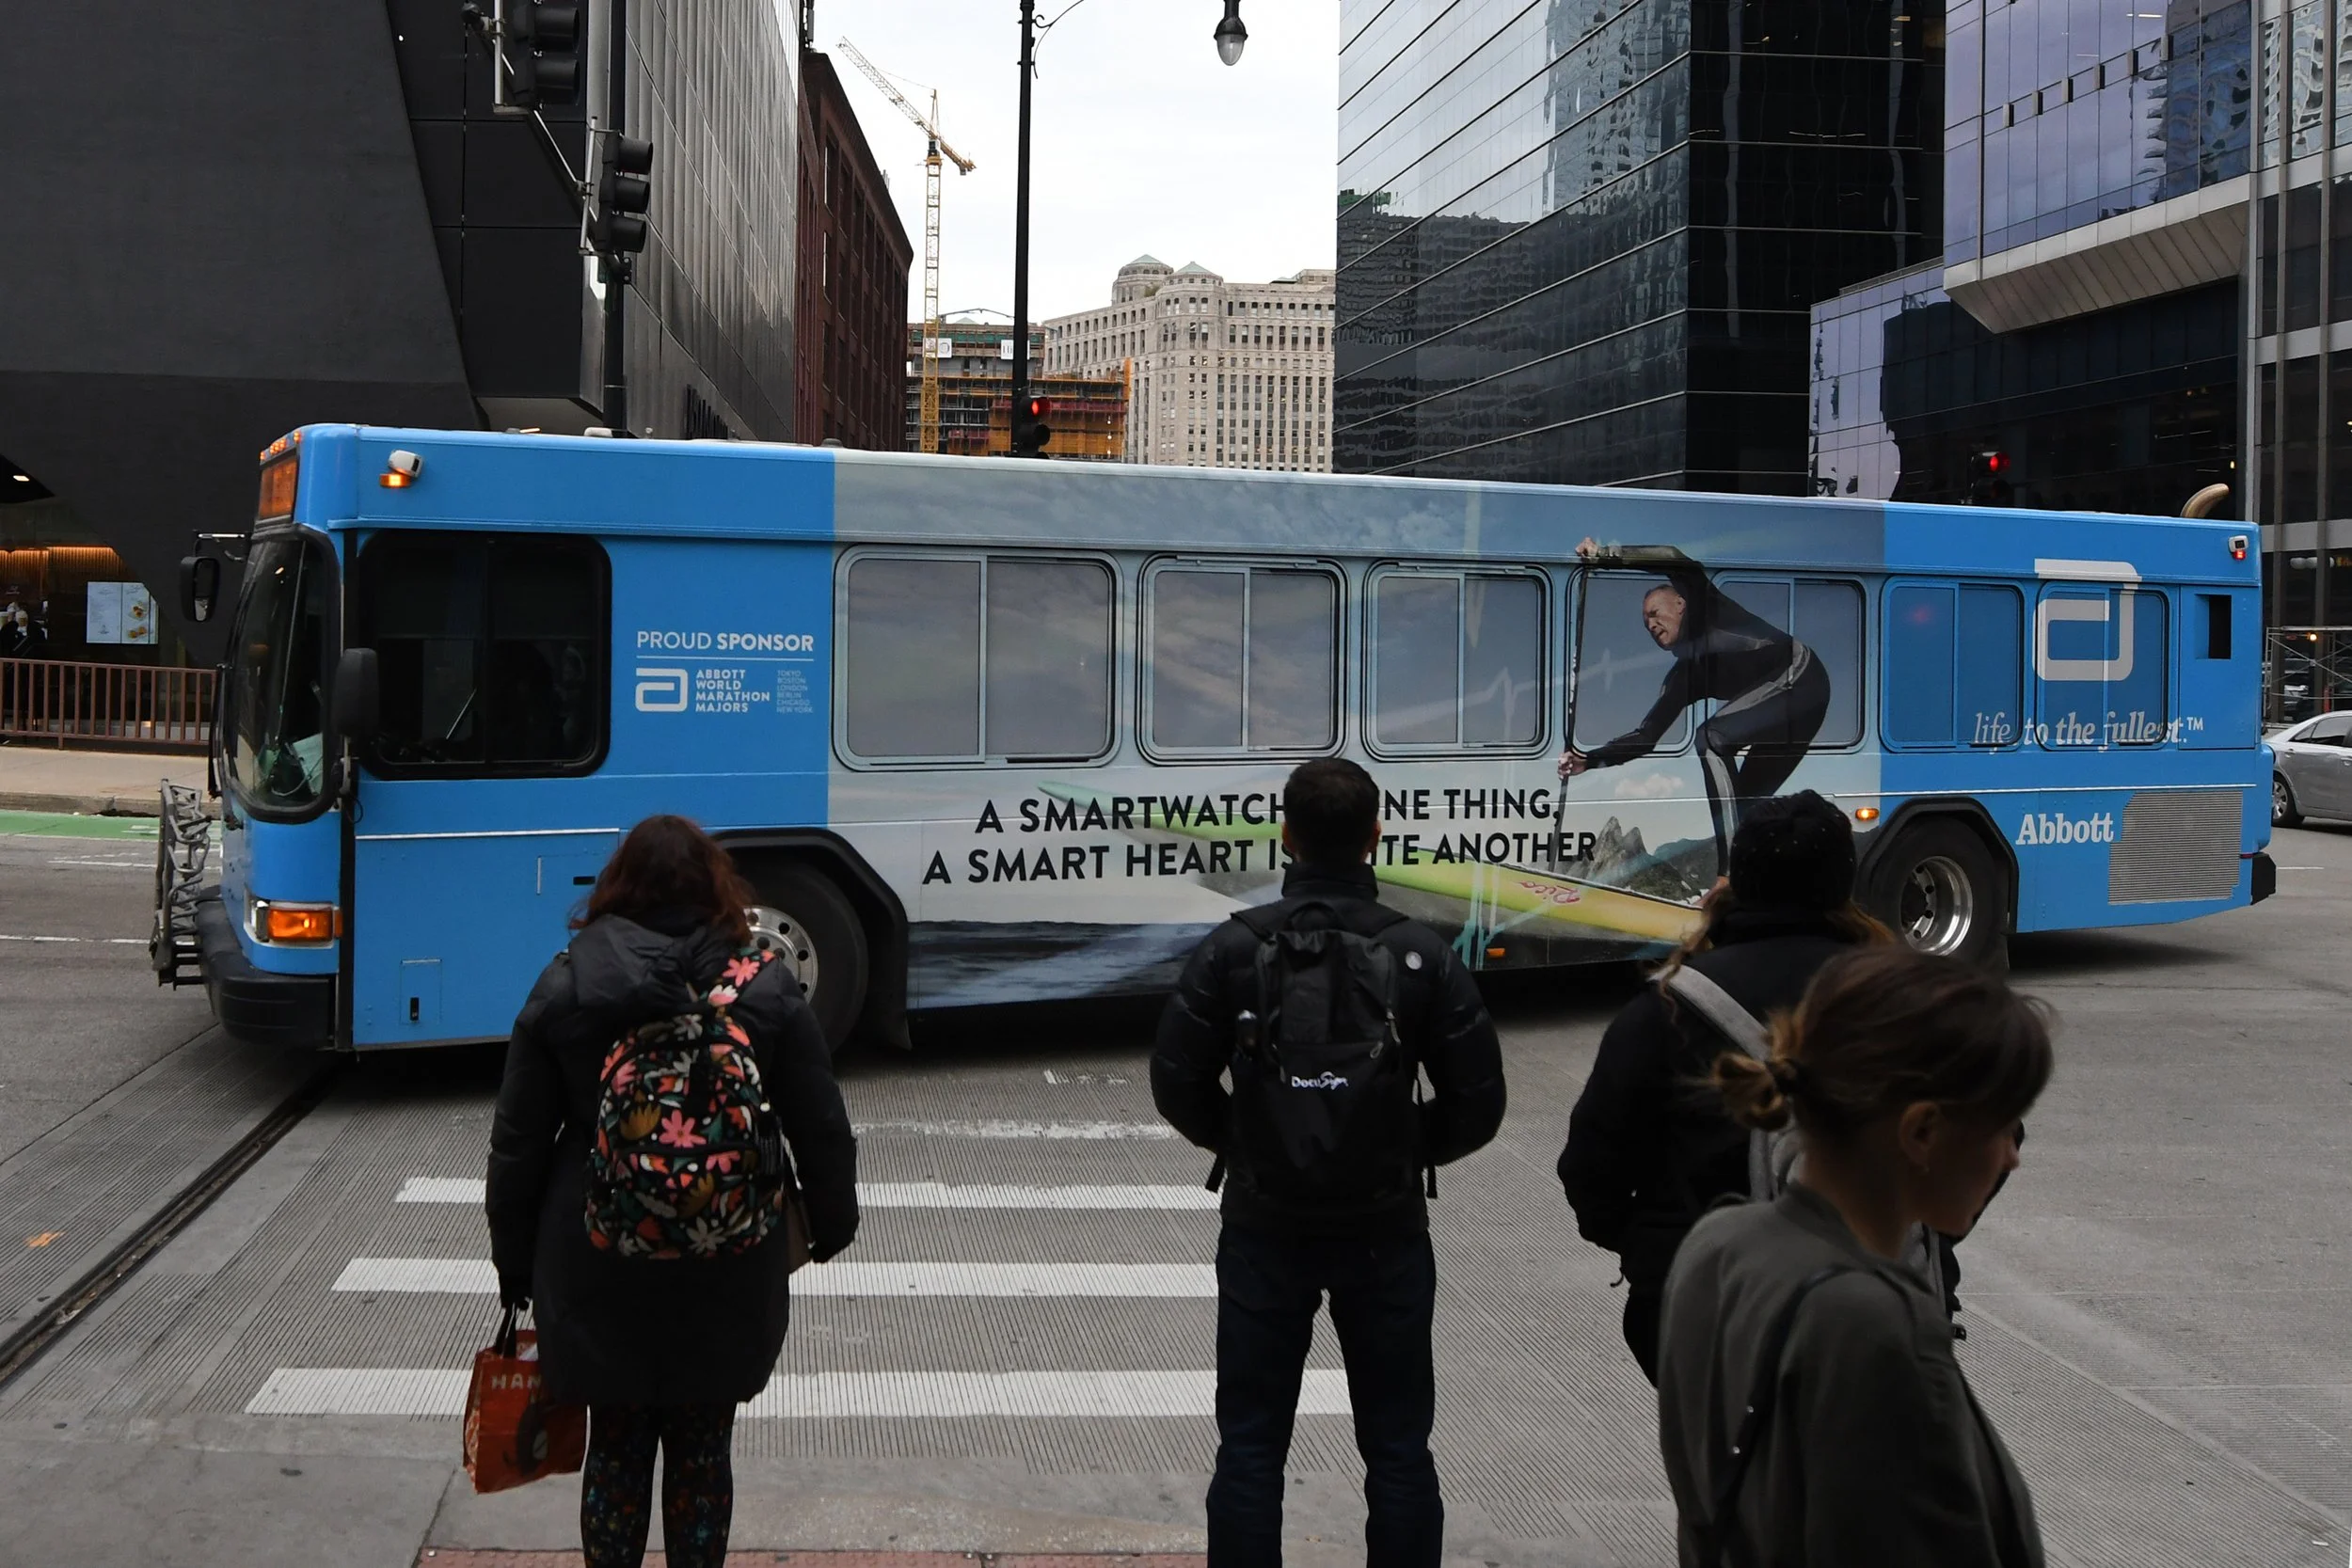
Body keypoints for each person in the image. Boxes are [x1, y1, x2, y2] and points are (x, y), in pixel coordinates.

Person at [1152, 757, 1508, 1568]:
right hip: (1385, 1230)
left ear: (1286, 834)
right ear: (1375, 836)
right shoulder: (1421, 954)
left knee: (1249, 1447)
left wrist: (1246, 1143)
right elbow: (1479, 1104)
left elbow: (1175, 1082)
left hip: (1264, 1226)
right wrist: (1399, 1148)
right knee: (1398, 1450)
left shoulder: (1234, 949)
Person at [487, 816, 859, 1568]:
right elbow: (820, 1124)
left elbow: (518, 1142)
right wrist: (827, 1226)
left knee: (617, 1449)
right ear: (717, 889)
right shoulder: (765, 989)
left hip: (597, 1257)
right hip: (729, 1257)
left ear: (617, 889)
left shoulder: (570, 982)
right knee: (701, 1450)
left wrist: (516, 1266)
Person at [1657, 945, 2053, 1567]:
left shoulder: (1718, 1244)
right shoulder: (1875, 1323)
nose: (2012, 1157)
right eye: (2006, 1126)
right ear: (1922, 1131)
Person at [1557, 790, 1888, 1384]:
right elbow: (1990, 1143)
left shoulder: (1667, 1007)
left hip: (1701, 1304)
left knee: (1732, 1472)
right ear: (1846, 877)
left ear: (1740, 876)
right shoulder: (1908, 996)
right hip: (1872, 1301)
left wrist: (1651, 1247)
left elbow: (1590, 1166)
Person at [1556, 538, 1830, 864]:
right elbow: (1646, 737)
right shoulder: (1682, 677)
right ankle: (1767, 887)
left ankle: (1727, 879)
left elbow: (1672, 557)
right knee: (1742, 810)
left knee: (1712, 739)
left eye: (1655, 614)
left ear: (1680, 605)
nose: (1651, 625)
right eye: (1646, 624)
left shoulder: (1703, 603)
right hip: (1789, 714)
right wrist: (1589, 760)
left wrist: (1605, 555)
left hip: (1800, 675)